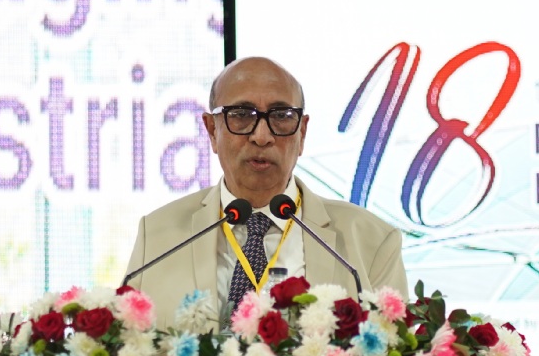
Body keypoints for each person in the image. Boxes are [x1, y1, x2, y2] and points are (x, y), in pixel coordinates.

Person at [124, 57, 407, 329]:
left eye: (281, 116)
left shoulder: (373, 241)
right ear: (211, 130)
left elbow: (395, 353)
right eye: (241, 115)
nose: (261, 136)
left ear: (302, 133)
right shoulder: (157, 237)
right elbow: (129, 348)